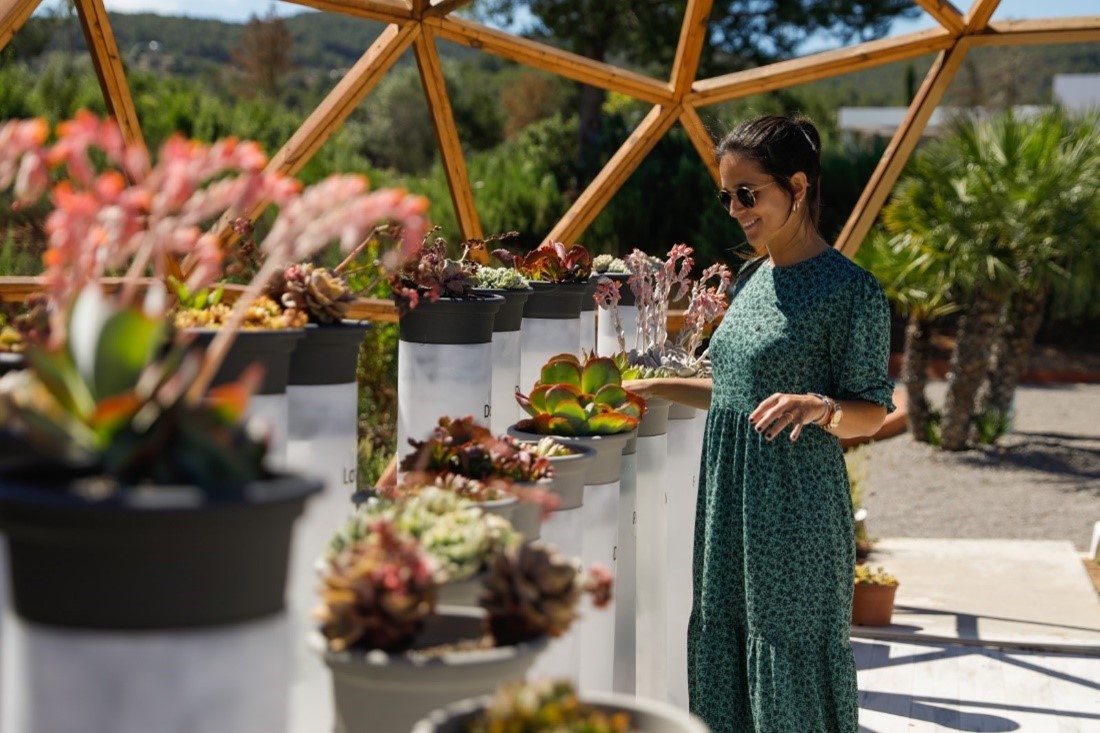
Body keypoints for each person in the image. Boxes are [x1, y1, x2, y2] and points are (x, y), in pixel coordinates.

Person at [626, 115, 894, 732]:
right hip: (729, 506)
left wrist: (820, 407)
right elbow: (737, 389)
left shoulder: (852, 292)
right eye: (727, 195)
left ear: (796, 187)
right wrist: (647, 386)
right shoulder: (751, 277)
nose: (735, 209)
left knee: (788, 657)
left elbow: (872, 413)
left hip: (793, 514)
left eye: (748, 194)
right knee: (726, 648)